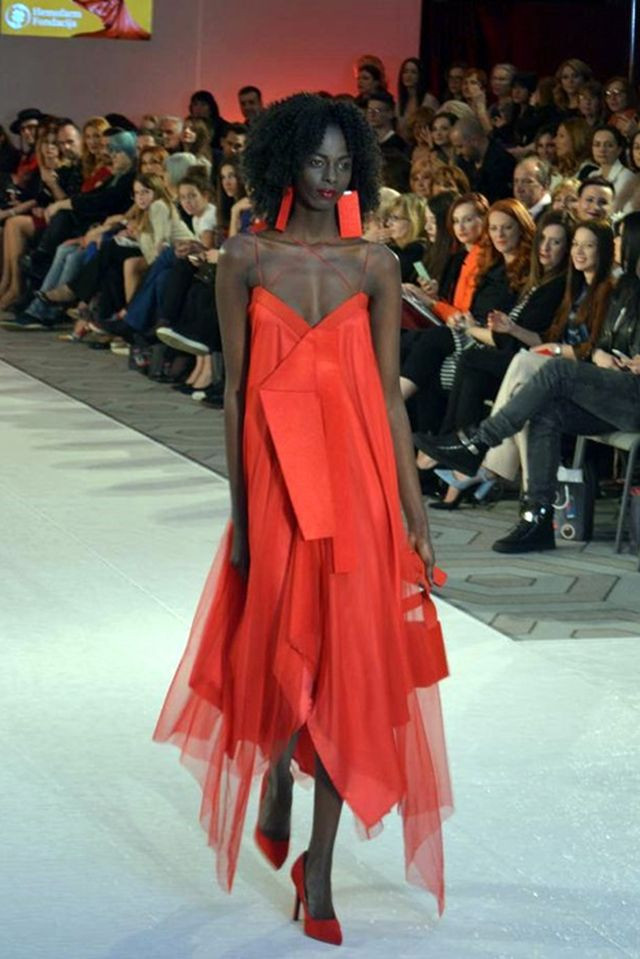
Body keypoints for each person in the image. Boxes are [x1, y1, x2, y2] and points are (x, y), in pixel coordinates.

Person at [153, 92, 452, 946]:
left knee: (353, 668)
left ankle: (318, 868)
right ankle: (279, 767)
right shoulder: (245, 256)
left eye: (343, 163)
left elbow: (389, 401)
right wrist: (242, 514)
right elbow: (235, 394)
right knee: (283, 645)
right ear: (284, 162)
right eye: (315, 161)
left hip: (359, 487)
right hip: (279, 484)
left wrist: (414, 510)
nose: (329, 177)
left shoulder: (376, 263)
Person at [413, 214, 637, 554]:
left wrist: (608, 356)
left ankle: (477, 442)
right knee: (543, 410)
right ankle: (536, 519)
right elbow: (602, 344)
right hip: (612, 387)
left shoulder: (619, 288)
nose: (615, 245)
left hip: (629, 393)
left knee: (552, 370)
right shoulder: (623, 290)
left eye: (617, 240)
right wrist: (603, 354)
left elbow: (595, 347)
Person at [430, 210, 571, 507]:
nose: (546, 247)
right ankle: (458, 452)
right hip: (515, 354)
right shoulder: (539, 280)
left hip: (534, 362)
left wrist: (505, 328)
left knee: (470, 359)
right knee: (466, 362)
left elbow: (536, 338)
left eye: (556, 242)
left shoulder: (558, 285)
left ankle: (457, 448)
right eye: (543, 240)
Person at [450, 113, 516, 202]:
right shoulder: (463, 163)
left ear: (474, 141)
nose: (458, 153)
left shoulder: (504, 163)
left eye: (460, 147)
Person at [590, 125, 635, 213]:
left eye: (609, 145)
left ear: (619, 150)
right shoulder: (592, 175)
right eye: (597, 145)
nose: (602, 149)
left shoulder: (627, 177)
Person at [396, 57, 439, 140]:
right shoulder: (399, 102)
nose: (408, 76)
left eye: (413, 72)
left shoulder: (429, 100)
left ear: (420, 76)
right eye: (405, 71)